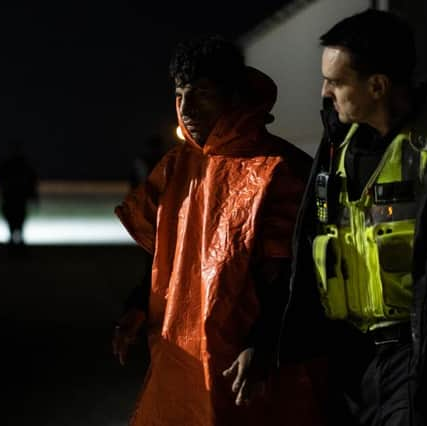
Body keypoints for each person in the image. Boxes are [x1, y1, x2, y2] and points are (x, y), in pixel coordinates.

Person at [243, 10, 427, 426]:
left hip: (416, 358)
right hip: (347, 361)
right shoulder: (337, 152)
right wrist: (265, 339)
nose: (325, 92)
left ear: (377, 85)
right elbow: (303, 258)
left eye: (337, 81)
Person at [112, 34, 322, 426]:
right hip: (180, 356)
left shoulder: (279, 169)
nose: (186, 107)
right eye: (179, 94)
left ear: (233, 97)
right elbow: (163, 256)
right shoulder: (176, 168)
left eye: (202, 94)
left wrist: (264, 343)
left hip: (247, 362)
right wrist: (137, 306)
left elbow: (294, 275)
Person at [0, 141, 38, 246]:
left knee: (16, 220)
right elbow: (32, 180)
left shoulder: (15, 165)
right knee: (16, 220)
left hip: (14, 197)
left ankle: (15, 240)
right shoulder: (21, 165)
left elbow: (32, 180)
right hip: (14, 197)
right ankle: (16, 240)